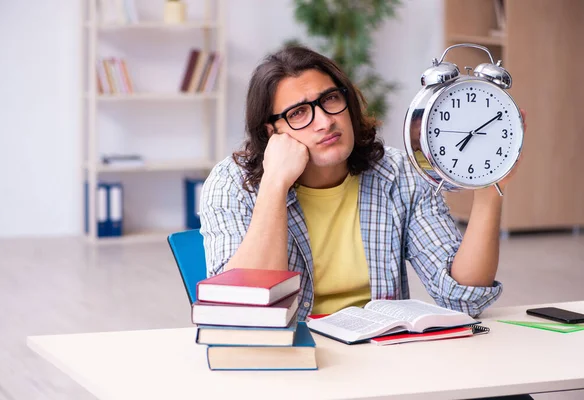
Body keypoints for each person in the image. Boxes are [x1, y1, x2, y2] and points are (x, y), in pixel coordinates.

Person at [199, 45, 527, 323]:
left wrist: (489, 188)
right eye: (299, 113)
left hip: (383, 356)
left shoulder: (399, 174)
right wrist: (274, 183)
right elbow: (242, 306)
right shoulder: (232, 184)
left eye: (330, 99)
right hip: (292, 360)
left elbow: (463, 299)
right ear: (273, 132)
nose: (325, 120)